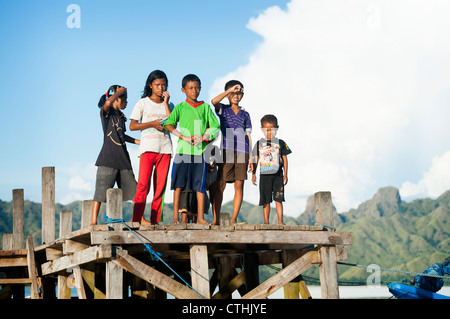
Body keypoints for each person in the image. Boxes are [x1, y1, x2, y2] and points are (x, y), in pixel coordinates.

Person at [164, 74, 220, 224]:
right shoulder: (180, 108)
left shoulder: (206, 107)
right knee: (178, 184)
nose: (194, 91)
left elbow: (215, 127)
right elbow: (169, 124)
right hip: (183, 151)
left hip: (199, 152)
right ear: (183, 90)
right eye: (190, 88)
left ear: (200, 88)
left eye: (197, 88)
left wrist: (204, 137)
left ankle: (200, 217)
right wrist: (182, 137)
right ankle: (175, 217)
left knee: (199, 185)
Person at [91, 85, 140, 225]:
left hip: (123, 160)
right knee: (100, 191)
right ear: (116, 99)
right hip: (107, 159)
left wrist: (138, 142)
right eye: (125, 99)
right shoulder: (107, 114)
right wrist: (118, 92)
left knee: (134, 190)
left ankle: (138, 218)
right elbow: (107, 104)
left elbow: (122, 136)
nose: (127, 102)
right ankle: (93, 221)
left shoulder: (120, 117)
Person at [129, 70, 173, 225]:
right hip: (148, 149)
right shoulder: (143, 103)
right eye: (157, 85)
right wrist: (152, 124)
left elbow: (172, 125)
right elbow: (132, 126)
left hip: (165, 150)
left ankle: (155, 221)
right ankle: (136, 220)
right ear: (150, 85)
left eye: (163, 85)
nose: (161, 88)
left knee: (160, 188)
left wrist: (166, 103)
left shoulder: (170, 105)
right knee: (143, 186)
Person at [211, 80, 252, 224]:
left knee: (239, 184)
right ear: (228, 94)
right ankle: (216, 219)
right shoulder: (223, 109)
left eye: (239, 92)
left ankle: (234, 219)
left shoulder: (245, 114)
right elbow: (214, 101)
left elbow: (248, 136)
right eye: (234, 92)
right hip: (227, 150)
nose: (236, 95)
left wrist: (252, 157)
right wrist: (230, 90)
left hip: (243, 151)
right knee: (220, 184)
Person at [251, 114, 291, 225]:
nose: (269, 132)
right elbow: (256, 159)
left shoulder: (281, 143)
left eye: (272, 129)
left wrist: (285, 174)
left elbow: (285, 158)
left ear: (277, 128)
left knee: (279, 199)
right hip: (264, 176)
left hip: (278, 175)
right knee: (265, 200)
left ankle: (280, 221)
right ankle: (266, 222)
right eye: (267, 130)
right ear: (262, 129)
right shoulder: (259, 144)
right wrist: (253, 174)